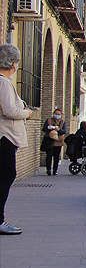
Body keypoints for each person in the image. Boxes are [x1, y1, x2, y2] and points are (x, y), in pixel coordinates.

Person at [0, 44, 35, 234]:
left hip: (4, 137)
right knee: (6, 176)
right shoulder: (4, 83)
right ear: (12, 63)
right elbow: (10, 110)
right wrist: (27, 113)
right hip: (5, 137)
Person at [41, 107, 66, 175]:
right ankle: (48, 169)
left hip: (58, 142)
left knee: (56, 157)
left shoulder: (62, 122)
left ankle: (55, 170)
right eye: (56, 114)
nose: (57, 115)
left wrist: (58, 130)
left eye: (59, 114)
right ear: (53, 114)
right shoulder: (49, 120)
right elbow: (44, 129)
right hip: (49, 141)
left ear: (61, 115)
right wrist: (49, 128)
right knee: (49, 156)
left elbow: (64, 131)